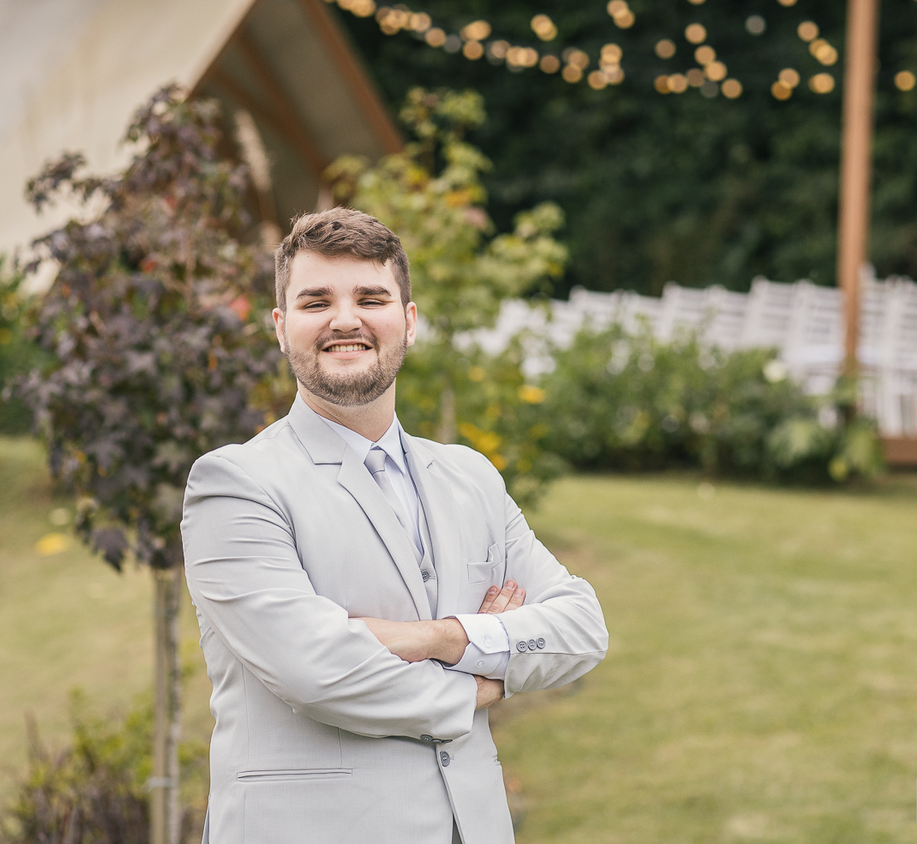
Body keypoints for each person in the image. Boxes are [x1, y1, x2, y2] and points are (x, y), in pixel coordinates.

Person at [181, 207, 607, 844]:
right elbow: (316, 669)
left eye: (371, 297)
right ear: (280, 326)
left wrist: (437, 637)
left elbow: (580, 629)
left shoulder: (471, 477)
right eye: (316, 300)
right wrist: (482, 679)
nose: (345, 319)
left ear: (408, 321)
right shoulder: (235, 484)